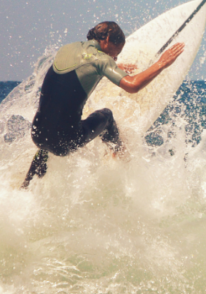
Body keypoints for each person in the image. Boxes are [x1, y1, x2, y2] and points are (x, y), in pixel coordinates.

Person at [22, 21, 185, 188]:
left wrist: (110, 68)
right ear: (107, 39)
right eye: (117, 52)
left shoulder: (68, 49)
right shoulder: (101, 60)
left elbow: (75, 74)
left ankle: (26, 186)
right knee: (106, 115)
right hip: (66, 141)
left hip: (38, 135)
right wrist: (161, 63)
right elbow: (133, 85)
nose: (115, 58)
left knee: (48, 136)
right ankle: (120, 160)